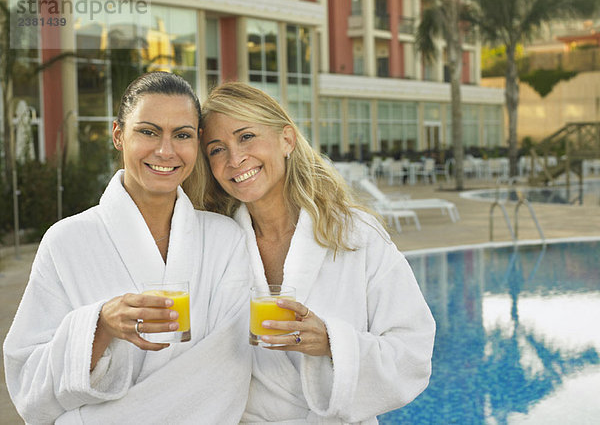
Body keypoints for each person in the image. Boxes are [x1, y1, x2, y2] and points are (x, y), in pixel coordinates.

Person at [3, 72, 252, 424]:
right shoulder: (67, 242)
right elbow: (28, 384)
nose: (165, 151)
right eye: (148, 131)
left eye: (181, 135)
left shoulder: (225, 241)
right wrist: (100, 327)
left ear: (196, 141)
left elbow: (229, 372)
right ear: (119, 135)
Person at [196, 81, 436, 423]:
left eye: (246, 136)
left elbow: (413, 352)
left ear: (286, 140)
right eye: (217, 149)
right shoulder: (216, 245)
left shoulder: (355, 234)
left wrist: (331, 342)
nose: (235, 159)